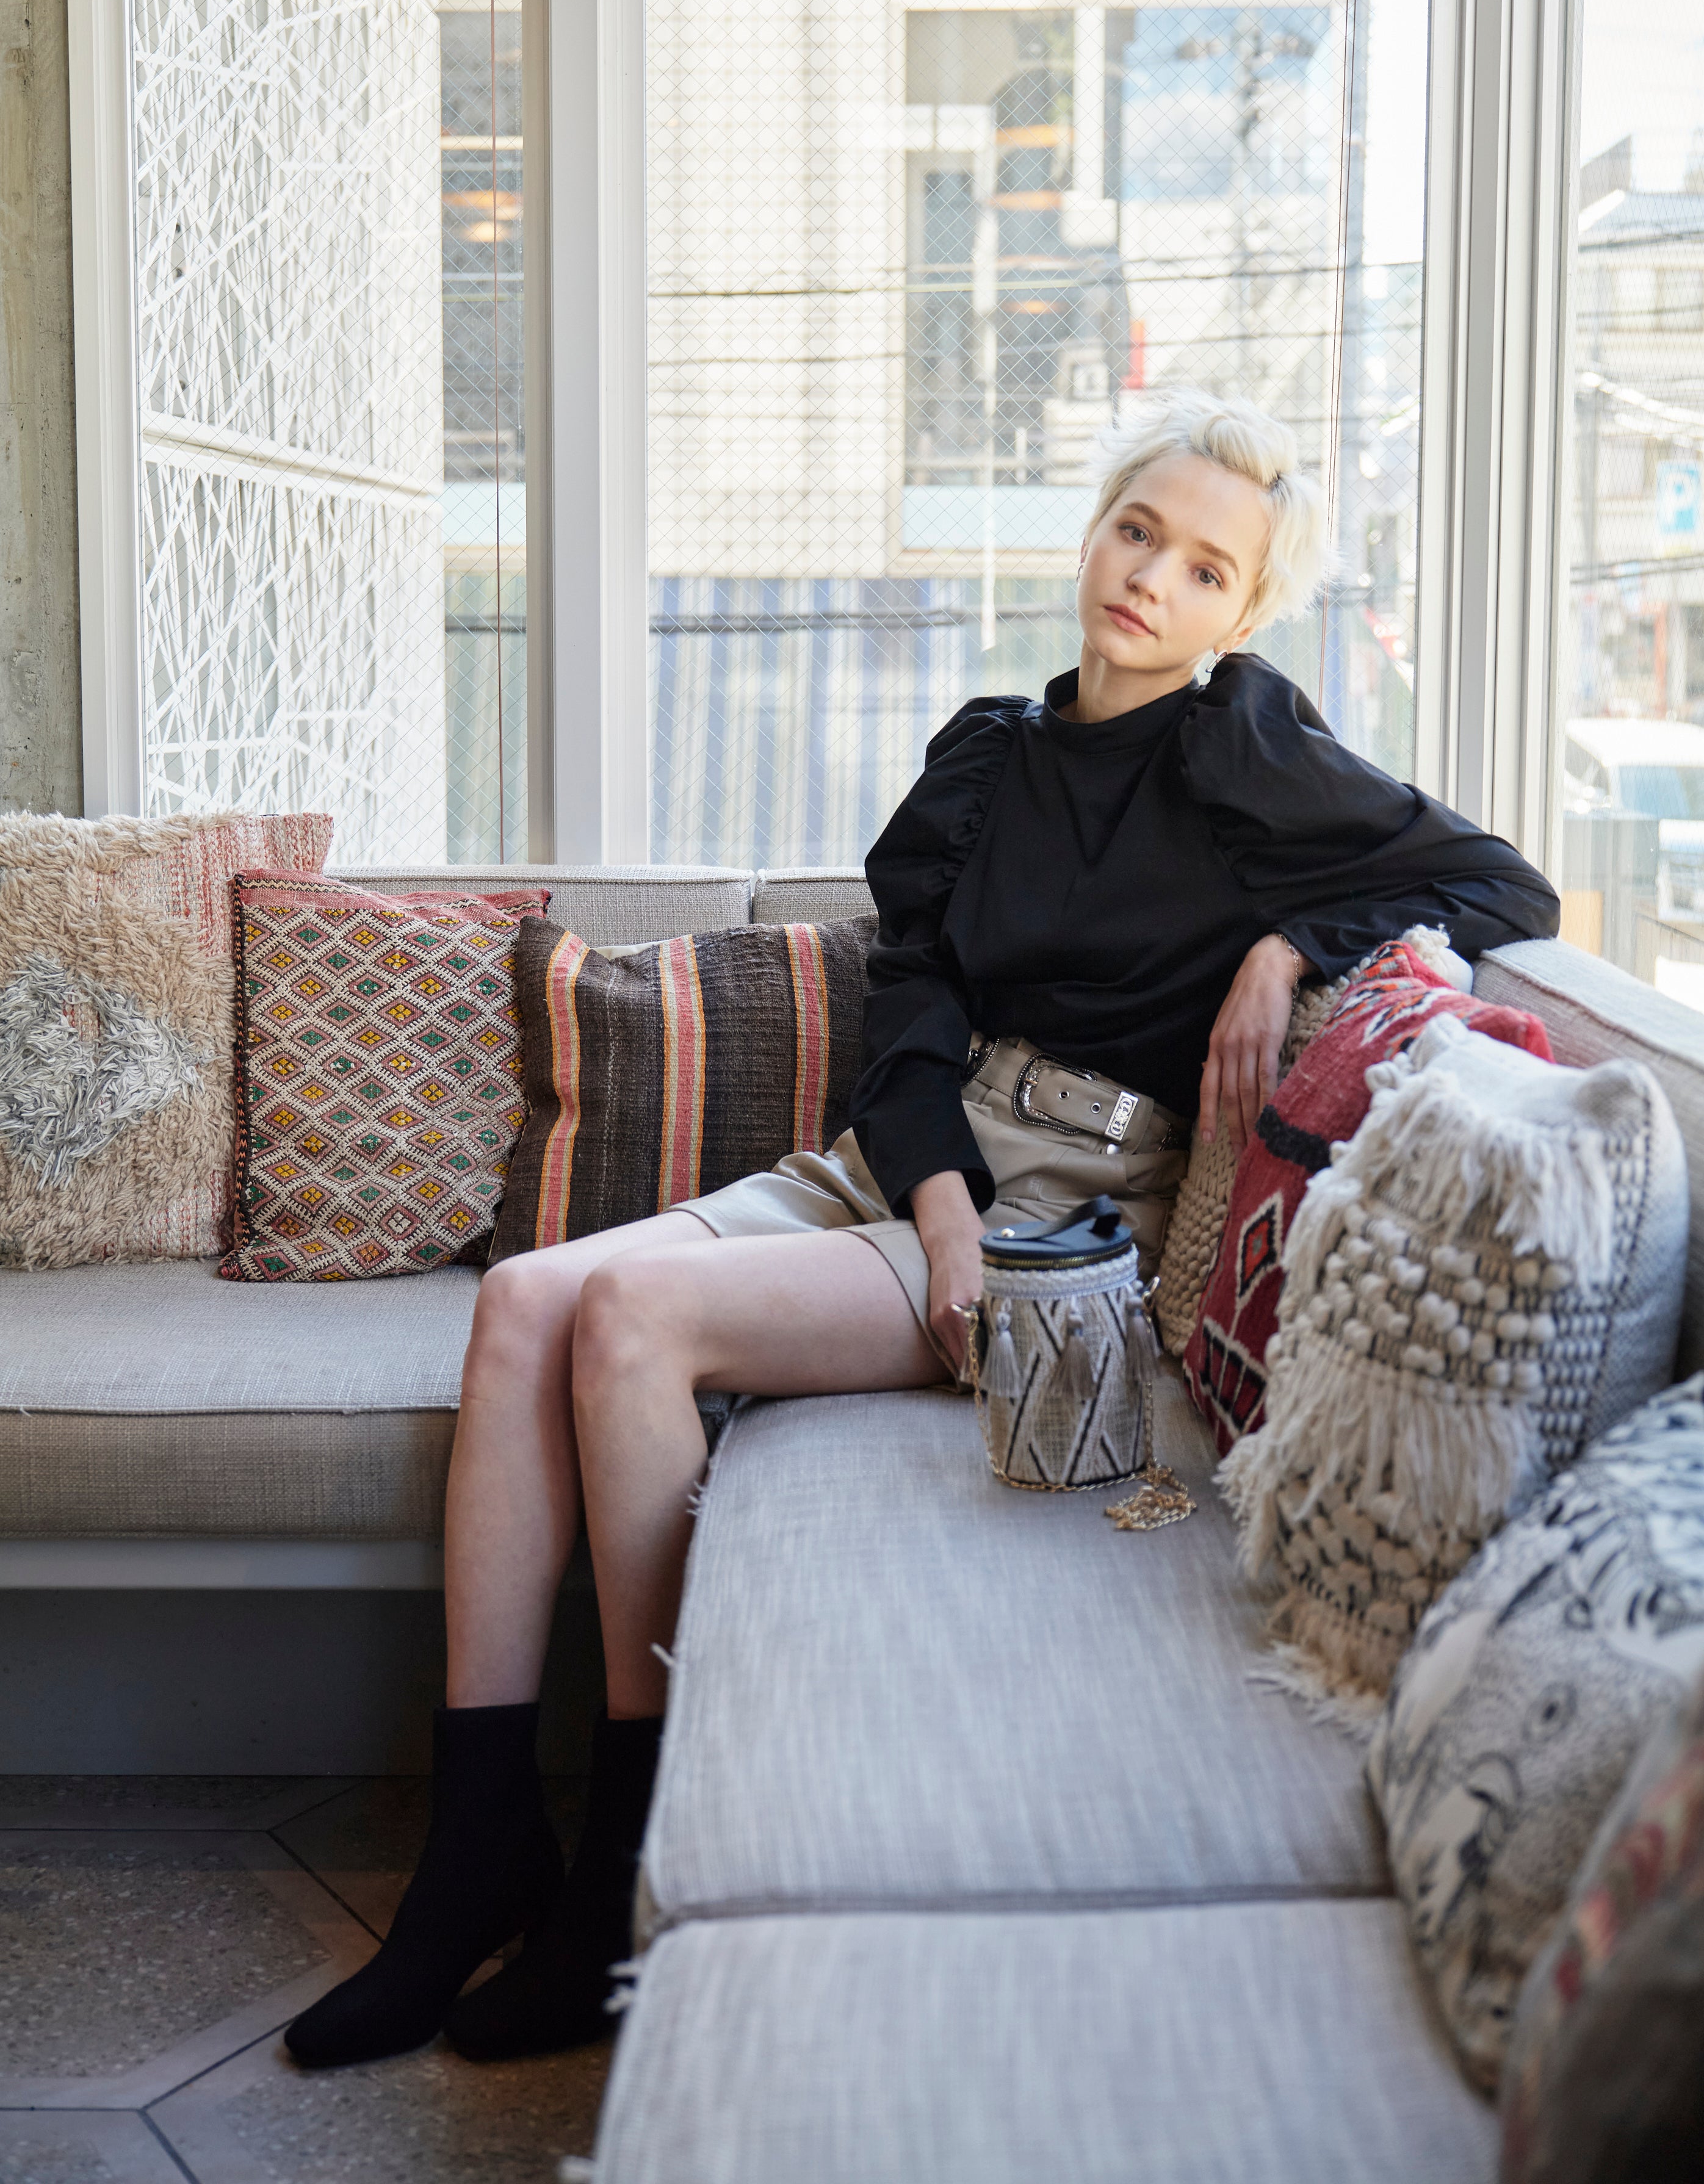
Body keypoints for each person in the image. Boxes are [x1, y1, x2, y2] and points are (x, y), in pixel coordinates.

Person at [284, 389, 1559, 2070]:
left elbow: (1504, 886)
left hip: (1071, 1210)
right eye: (1136, 531)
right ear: (1089, 532)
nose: (1151, 578)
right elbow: (915, 1009)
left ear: (1241, 610)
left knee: (635, 1322)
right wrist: (937, 1210)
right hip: (911, 1164)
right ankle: (479, 1849)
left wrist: (1287, 949)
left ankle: (615, 1873)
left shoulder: (1243, 744)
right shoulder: (987, 758)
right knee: (524, 1299)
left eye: (1203, 567)